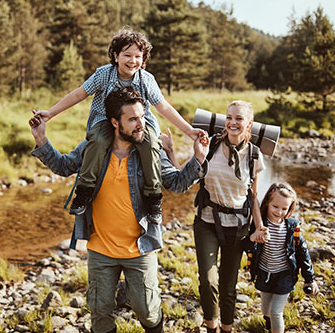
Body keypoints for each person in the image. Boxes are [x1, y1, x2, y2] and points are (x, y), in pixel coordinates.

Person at [29, 87, 209, 333]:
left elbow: (176, 182)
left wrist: (198, 158)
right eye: (133, 119)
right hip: (100, 249)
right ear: (115, 122)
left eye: (142, 117)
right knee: (100, 313)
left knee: (147, 310)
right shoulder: (93, 149)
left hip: (140, 247)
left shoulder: (150, 151)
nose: (141, 124)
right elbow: (63, 166)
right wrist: (41, 139)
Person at [29, 27, 201, 224]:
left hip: (141, 123)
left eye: (138, 56)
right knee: (98, 140)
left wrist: (188, 131)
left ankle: (153, 197)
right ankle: (85, 189)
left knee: (151, 142)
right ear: (116, 55)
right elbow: (79, 94)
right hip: (103, 120)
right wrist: (50, 113)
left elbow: (164, 107)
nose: (132, 61)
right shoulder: (104, 74)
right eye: (127, 55)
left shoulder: (146, 80)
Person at [192, 100, 268, 333]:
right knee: (208, 281)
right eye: (229, 117)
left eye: (239, 119)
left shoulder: (255, 156)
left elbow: (254, 196)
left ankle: (226, 328)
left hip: (238, 227)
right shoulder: (211, 145)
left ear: (250, 124)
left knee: (228, 285)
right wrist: (171, 150)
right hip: (206, 221)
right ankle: (211, 327)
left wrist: (259, 226)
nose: (232, 123)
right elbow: (189, 175)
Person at [246, 182, 319, 333]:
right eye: (275, 207)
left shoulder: (292, 228)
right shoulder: (259, 224)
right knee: (266, 310)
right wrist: (253, 237)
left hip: (284, 275)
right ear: (267, 203)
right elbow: (246, 247)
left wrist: (309, 279)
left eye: (284, 208)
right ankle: (269, 325)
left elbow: (302, 254)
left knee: (275, 312)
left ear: (290, 208)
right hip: (264, 273)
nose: (279, 212)